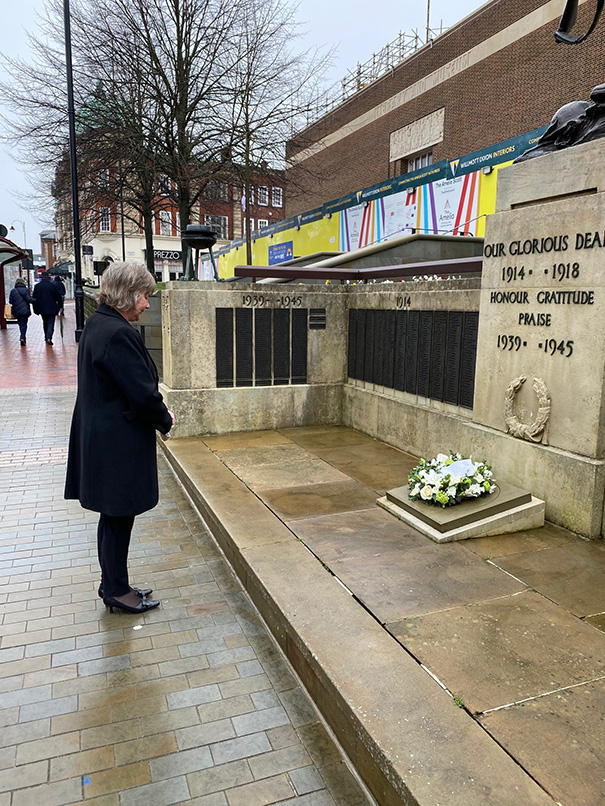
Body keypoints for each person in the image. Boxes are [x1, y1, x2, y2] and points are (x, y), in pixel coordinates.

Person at [65, 262, 174, 614]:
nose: (146, 304)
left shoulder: (100, 323)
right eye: (145, 296)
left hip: (103, 436)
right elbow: (141, 394)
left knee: (113, 517)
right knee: (117, 516)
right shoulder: (117, 333)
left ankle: (114, 584)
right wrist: (165, 418)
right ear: (129, 294)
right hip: (116, 442)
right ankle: (115, 590)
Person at [32, 270, 63, 345]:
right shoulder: (53, 286)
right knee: (51, 323)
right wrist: (60, 306)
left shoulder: (37, 286)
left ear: (41, 278)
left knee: (45, 322)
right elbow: (58, 297)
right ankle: (49, 337)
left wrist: (35, 310)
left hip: (42, 308)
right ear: (48, 278)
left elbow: (34, 299)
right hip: (52, 308)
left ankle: (46, 336)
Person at [8, 277, 34, 346]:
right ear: (23, 283)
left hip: (16, 310)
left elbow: (10, 301)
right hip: (25, 310)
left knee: (20, 324)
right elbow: (28, 299)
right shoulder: (26, 290)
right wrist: (36, 300)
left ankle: (22, 336)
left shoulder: (13, 291)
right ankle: (22, 337)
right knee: (24, 324)